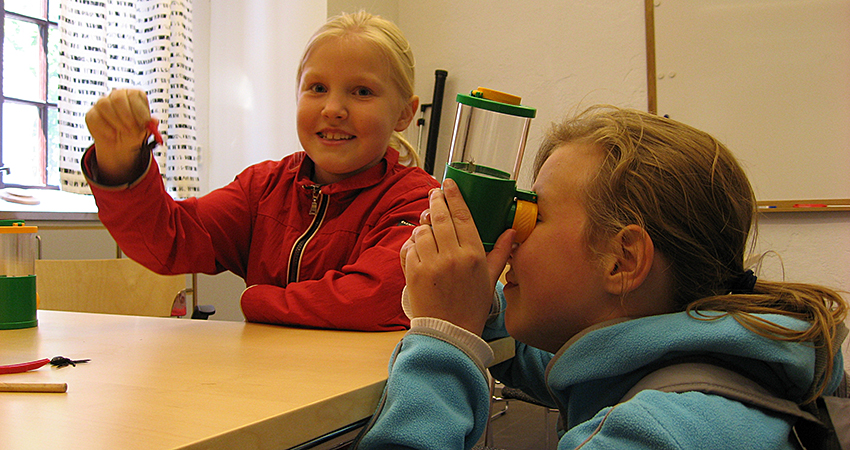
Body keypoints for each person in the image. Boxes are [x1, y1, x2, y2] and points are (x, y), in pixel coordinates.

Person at [353, 106, 849, 448]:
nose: (513, 234)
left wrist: (443, 342)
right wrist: (476, 306)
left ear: (622, 260)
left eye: (534, 217)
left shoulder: (657, 435)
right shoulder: (727, 358)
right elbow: (562, 360)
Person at [81, 11, 439, 331]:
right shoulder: (263, 188)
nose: (333, 109)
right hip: (267, 385)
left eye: (362, 91)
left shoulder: (419, 202)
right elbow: (169, 241)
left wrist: (256, 300)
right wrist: (121, 163)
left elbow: (371, 299)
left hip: (368, 401)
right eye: (317, 88)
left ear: (405, 114)